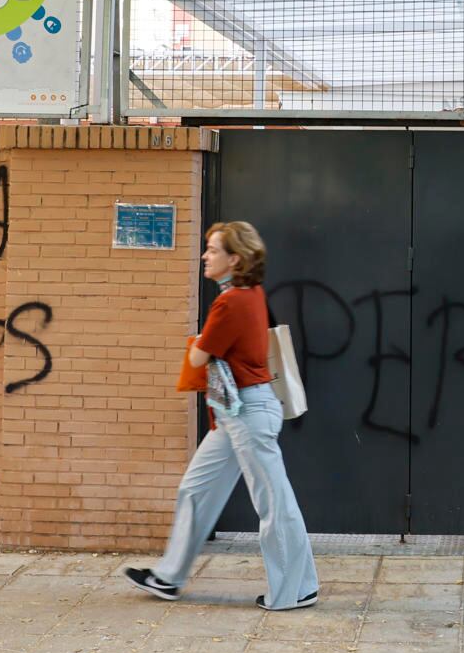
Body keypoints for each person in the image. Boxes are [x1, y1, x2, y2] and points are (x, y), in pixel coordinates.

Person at [124, 221, 320, 611]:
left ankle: (296, 590)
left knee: (273, 502)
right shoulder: (252, 294)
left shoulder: (230, 302)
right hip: (235, 413)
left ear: (235, 259)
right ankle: (169, 578)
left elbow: (199, 356)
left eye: (213, 250)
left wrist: (201, 342)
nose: (205, 255)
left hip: (248, 413)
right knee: (196, 489)